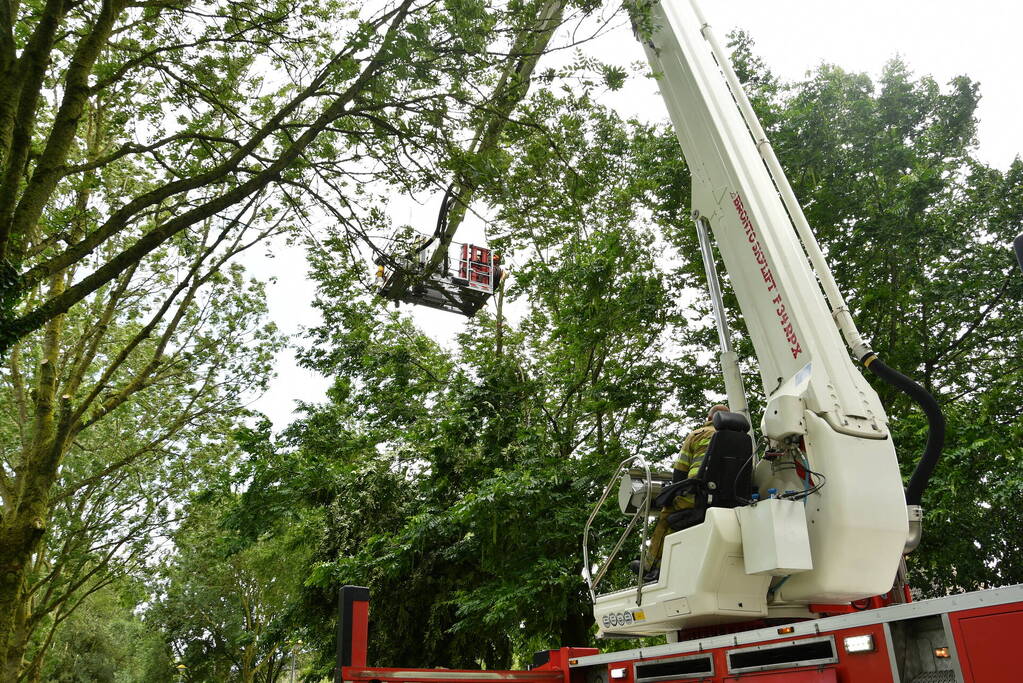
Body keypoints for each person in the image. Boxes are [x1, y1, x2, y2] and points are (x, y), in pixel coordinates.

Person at [642, 404, 729, 579]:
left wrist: (671, 494)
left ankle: (649, 567)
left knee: (667, 516)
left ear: (709, 418)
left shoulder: (697, 435)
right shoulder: (741, 439)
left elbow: (680, 473)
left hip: (697, 496)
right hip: (727, 499)